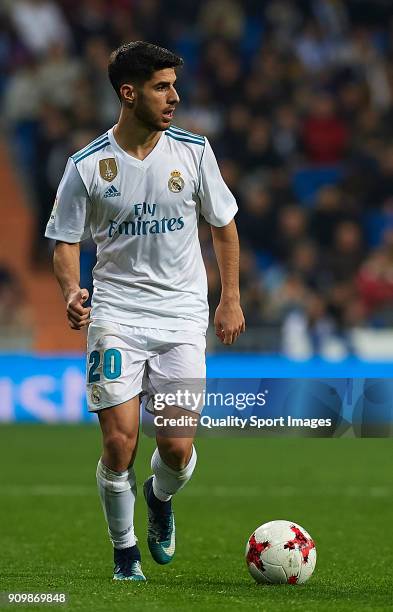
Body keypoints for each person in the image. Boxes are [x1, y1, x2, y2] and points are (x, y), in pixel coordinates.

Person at [45, 41, 245, 581]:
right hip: (116, 314)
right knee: (119, 440)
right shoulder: (86, 167)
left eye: (175, 85)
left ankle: (159, 498)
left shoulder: (194, 152)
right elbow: (64, 241)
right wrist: (69, 289)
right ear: (128, 93)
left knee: (177, 449)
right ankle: (124, 551)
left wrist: (229, 297)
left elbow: (223, 226)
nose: (174, 96)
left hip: (181, 315)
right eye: (162, 86)